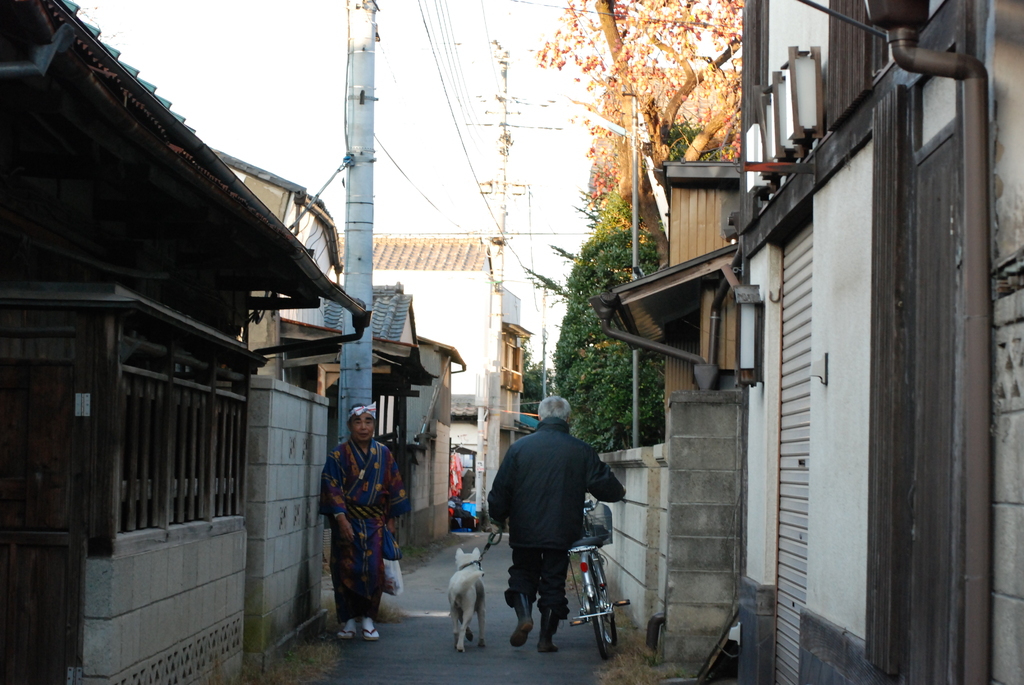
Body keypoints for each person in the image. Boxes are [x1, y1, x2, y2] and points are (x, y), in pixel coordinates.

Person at [487, 395, 626, 653]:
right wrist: (619, 492)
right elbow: (604, 484)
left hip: (524, 529)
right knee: (553, 582)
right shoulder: (580, 450)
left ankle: (524, 616)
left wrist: (497, 515)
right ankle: (545, 640)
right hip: (562, 529)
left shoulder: (519, 449)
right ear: (567, 419)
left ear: (540, 417)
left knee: (523, 574)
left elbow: (501, 490)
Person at [321, 402, 410, 641]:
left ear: (374, 425)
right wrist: (341, 519)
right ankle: (349, 621)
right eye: (358, 422)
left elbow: (394, 487)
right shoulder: (338, 454)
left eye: (368, 422)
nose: (363, 427)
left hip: (374, 524)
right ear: (349, 425)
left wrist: (390, 520)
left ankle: (369, 619)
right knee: (345, 569)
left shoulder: (384, 454)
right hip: (347, 522)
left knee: (373, 571)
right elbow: (331, 486)